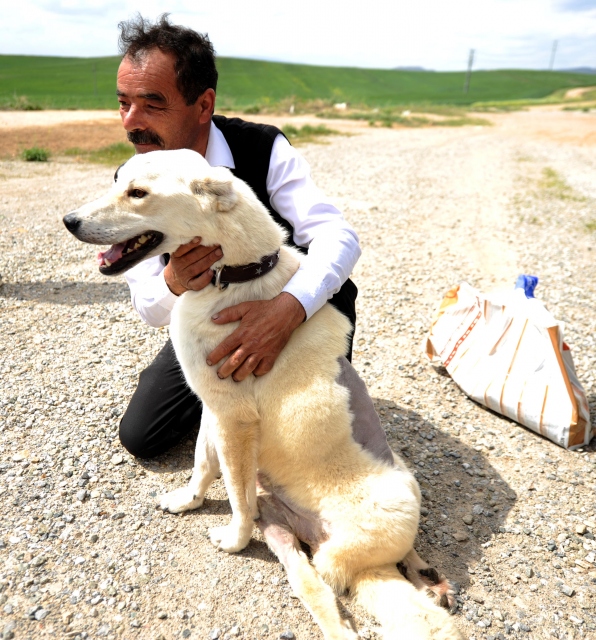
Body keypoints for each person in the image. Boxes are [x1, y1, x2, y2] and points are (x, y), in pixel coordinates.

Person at [115, 14, 392, 465]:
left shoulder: (262, 148)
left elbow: (337, 235)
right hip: (214, 319)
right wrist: (175, 280)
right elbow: (150, 308)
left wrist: (287, 310)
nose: (132, 121)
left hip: (299, 303)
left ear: (203, 105)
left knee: (304, 436)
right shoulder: (132, 180)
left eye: (152, 104)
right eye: (123, 103)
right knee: (142, 434)